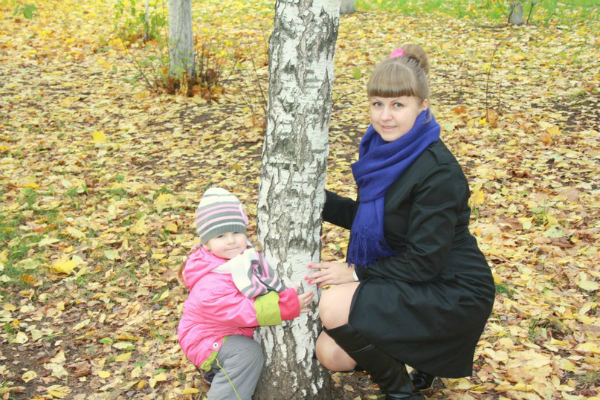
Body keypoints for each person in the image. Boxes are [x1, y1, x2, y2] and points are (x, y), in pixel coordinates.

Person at [305, 44, 495, 399]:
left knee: (333, 304)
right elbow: (380, 223)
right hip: (412, 277)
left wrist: (355, 273)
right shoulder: (381, 153)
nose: (385, 116)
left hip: (452, 290)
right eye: (377, 103)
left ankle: (401, 391)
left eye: (398, 105)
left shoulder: (438, 172)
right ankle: (411, 363)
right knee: (330, 354)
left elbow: (424, 260)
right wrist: (316, 201)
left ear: (423, 106)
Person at [178, 187, 313, 400]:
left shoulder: (241, 261)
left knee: (246, 350)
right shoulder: (211, 281)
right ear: (207, 243)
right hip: (206, 339)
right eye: (221, 235)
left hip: (222, 333)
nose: (231, 240)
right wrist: (283, 307)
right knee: (246, 353)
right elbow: (241, 310)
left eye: (236, 233)